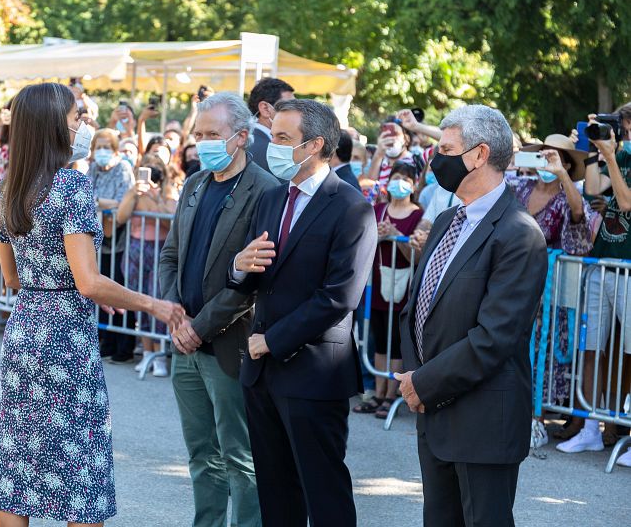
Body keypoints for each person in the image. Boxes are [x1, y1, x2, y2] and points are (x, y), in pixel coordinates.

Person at [0, 83, 183, 527]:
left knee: (20, 457)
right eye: (77, 118)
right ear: (53, 125)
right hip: (65, 337)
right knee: (81, 465)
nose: (83, 126)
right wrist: (151, 304)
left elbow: (11, 277)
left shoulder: (7, 189)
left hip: (25, 330)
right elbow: (89, 281)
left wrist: (82, 288)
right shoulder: (72, 187)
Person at [396, 105, 548, 527]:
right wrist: (416, 381)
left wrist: (422, 383)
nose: (435, 157)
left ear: (479, 155)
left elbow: (495, 337)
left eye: (445, 148)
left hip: (483, 421)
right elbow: (418, 309)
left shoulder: (519, 234)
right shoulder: (447, 219)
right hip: (435, 412)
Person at [229, 99, 376, 527]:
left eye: (281, 138)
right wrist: (239, 267)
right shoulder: (273, 198)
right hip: (262, 372)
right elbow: (257, 271)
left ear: (313, 146)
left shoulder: (351, 207)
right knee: (276, 491)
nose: (269, 145)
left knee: (324, 492)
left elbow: (339, 296)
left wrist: (272, 341)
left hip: (313, 372)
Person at [159, 92, 277, 527]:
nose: (202, 141)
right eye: (198, 134)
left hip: (228, 344)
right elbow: (170, 255)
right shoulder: (194, 184)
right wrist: (175, 313)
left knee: (240, 458)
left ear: (241, 137)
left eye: (213, 134)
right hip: (184, 342)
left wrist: (200, 326)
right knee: (201, 454)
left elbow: (252, 279)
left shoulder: (266, 191)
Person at [507, 134, 594, 448]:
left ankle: (536, 419)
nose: (547, 160)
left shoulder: (565, 193)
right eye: (543, 155)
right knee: (508, 343)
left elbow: (578, 214)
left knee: (540, 351)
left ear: (568, 164)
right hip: (510, 279)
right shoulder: (521, 187)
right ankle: (507, 411)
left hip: (547, 286)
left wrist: (561, 175)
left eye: (556, 157)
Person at [559, 107, 631, 465]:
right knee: (591, 346)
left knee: (630, 351)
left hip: (628, 270)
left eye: (623, 127)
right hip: (602, 264)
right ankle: (589, 429)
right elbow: (591, 188)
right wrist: (591, 150)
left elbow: (627, 201)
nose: (621, 133)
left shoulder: (621, 158)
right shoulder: (618, 154)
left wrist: (611, 158)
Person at [354, 162, 423, 419]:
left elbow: (416, 255)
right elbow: (362, 243)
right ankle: (379, 393)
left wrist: (396, 235)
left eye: (405, 179)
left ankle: (391, 395)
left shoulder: (418, 215)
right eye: (395, 177)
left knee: (396, 342)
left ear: (414, 184)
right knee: (379, 340)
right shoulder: (378, 210)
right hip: (377, 285)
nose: (400, 183)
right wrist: (378, 236)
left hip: (403, 287)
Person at [116, 154, 179, 377]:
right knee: (140, 300)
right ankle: (146, 353)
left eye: (155, 169)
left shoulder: (167, 192)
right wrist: (134, 193)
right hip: (136, 249)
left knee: (158, 299)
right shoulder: (135, 191)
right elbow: (121, 217)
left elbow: (170, 221)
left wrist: (155, 199)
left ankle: (160, 355)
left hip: (160, 249)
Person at [88, 129, 137, 363]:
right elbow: (84, 196)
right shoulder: (93, 169)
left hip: (119, 239)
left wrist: (98, 202)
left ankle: (123, 344)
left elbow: (121, 202)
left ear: (116, 149)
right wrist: (101, 204)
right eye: (98, 146)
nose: (102, 151)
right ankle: (105, 339)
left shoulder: (124, 169)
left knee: (118, 287)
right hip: (97, 239)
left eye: (107, 146)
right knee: (101, 288)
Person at [246, 77, 295, 172]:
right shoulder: (270, 149)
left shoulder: (248, 142)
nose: (295, 113)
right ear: (265, 109)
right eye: (289, 106)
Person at [366, 119, 423, 189]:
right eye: (386, 134)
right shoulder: (378, 161)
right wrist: (378, 154)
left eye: (395, 133)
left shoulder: (416, 161)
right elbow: (369, 188)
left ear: (406, 138)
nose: (390, 138)